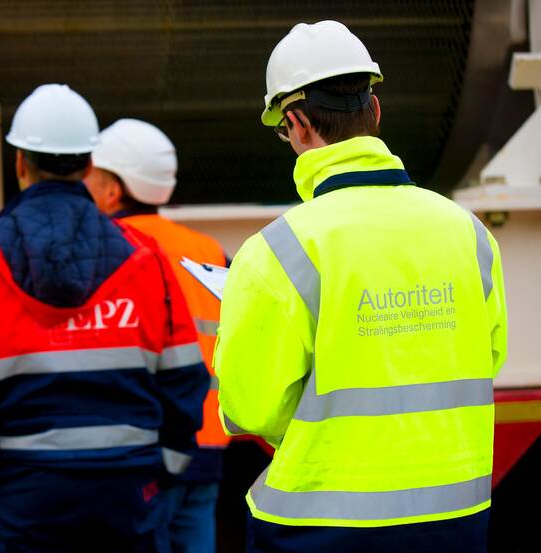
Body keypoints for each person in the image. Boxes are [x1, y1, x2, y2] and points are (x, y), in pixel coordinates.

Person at [213, 20, 507, 553]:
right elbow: (485, 358)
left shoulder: (278, 250)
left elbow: (249, 409)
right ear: (375, 111)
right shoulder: (468, 232)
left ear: (297, 124)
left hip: (320, 529)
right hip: (456, 519)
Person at [0, 84, 208, 552]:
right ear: (90, 165)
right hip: (127, 494)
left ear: (19, 163)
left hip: (14, 497)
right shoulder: (143, 257)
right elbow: (182, 377)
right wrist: (167, 465)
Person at [83, 119, 229, 553]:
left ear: (112, 191)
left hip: (143, 449)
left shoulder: (108, 247)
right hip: (207, 447)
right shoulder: (208, 250)